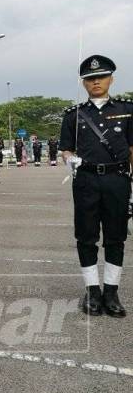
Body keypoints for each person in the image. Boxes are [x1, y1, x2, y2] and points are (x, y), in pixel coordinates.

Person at [60, 54, 131, 318]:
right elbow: (65, 150)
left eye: (101, 77)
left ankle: (111, 292)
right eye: (90, 79)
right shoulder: (73, 115)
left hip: (117, 180)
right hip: (86, 181)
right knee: (86, 236)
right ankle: (92, 290)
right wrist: (70, 160)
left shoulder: (127, 110)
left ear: (111, 79)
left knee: (116, 236)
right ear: (84, 83)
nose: (96, 82)